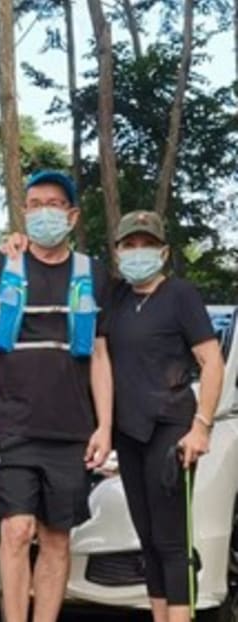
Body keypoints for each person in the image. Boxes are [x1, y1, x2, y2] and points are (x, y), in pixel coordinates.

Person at [0, 170, 113, 622]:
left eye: (54, 203)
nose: (45, 212)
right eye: (36, 204)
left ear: (72, 214)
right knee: (16, 530)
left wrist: (104, 425)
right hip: (11, 428)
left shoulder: (91, 272)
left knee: (56, 538)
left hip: (71, 431)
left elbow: (101, 355)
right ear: (24, 213)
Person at [109, 210, 223, 622]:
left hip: (171, 430)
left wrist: (201, 426)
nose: (139, 253)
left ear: (164, 251)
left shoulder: (181, 296)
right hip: (129, 433)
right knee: (149, 540)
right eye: (130, 245)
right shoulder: (117, 297)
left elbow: (212, 362)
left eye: (147, 245)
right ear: (118, 252)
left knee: (173, 541)